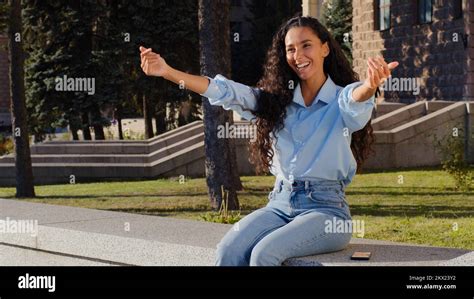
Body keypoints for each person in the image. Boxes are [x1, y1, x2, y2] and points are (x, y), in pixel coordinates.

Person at [139, 15, 398, 266]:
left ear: (325, 49)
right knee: (228, 251)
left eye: (306, 45)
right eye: (291, 49)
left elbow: (355, 99)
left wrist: (370, 85)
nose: (298, 56)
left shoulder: (340, 99)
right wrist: (168, 72)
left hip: (327, 212)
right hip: (279, 204)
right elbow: (225, 91)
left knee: (263, 254)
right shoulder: (276, 102)